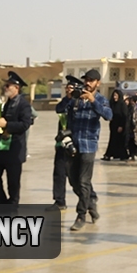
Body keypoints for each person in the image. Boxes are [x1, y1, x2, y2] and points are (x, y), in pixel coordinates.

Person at [58, 73, 113, 231]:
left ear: (98, 83)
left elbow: (108, 115)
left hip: (89, 145)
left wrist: (92, 100)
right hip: (72, 145)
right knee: (74, 181)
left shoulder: (101, 99)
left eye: (91, 81)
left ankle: (81, 215)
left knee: (83, 181)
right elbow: (59, 109)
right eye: (86, 80)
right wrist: (68, 97)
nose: (87, 83)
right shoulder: (76, 97)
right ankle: (91, 202)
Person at [0, 71, 33, 214]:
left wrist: (7, 124)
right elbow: (0, 124)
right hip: (0, 148)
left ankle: (12, 208)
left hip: (14, 149)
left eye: (8, 85)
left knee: (13, 182)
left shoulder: (23, 105)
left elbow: (25, 124)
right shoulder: (6, 104)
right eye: (5, 85)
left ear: (16, 88)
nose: (5, 88)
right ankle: (2, 206)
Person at [48, 78, 78, 211]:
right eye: (67, 87)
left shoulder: (79, 102)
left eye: (71, 88)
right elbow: (58, 109)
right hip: (62, 142)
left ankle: (89, 199)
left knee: (76, 176)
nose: (68, 90)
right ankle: (59, 200)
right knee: (59, 172)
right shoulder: (64, 102)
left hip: (75, 143)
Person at [102, 88, 131, 161]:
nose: (115, 97)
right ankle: (110, 154)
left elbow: (124, 116)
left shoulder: (122, 104)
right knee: (113, 140)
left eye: (116, 95)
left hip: (120, 125)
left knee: (120, 141)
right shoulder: (112, 104)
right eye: (114, 95)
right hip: (113, 125)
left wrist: (121, 126)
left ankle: (122, 155)